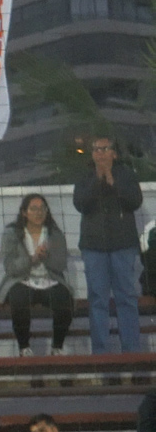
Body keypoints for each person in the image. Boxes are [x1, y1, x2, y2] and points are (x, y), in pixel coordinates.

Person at [73, 134, 145, 354]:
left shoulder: (126, 175)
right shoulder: (86, 176)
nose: (100, 154)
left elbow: (135, 201)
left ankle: (132, 352)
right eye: (96, 149)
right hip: (94, 246)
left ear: (114, 153)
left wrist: (113, 182)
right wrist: (98, 181)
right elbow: (80, 203)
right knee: (97, 300)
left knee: (126, 298)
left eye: (104, 149)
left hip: (123, 245)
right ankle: (100, 354)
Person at [0, 193, 74, 356]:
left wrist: (46, 257)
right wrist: (32, 259)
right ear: (24, 212)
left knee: (65, 299)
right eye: (33, 209)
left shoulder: (55, 234)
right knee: (18, 298)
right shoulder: (12, 233)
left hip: (49, 280)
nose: (38, 213)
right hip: (22, 280)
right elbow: (10, 267)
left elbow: (61, 264)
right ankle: (24, 347)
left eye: (42, 209)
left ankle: (57, 347)